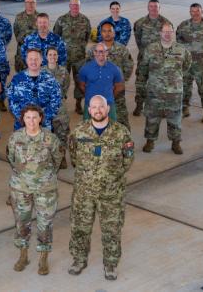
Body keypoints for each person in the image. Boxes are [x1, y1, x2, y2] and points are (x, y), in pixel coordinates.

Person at [68, 95, 134, 281]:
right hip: (84, 192)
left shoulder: (121, 133)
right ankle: (79, 259)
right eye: (94, 107)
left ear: (107, 109)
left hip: (112, 193)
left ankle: (111, 263)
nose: (98, 110)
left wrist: (111, 178)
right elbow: (73, 157)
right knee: (80, 227)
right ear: (89, 110)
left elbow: (128, 159)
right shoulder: (79, 132)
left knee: (112, 229)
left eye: (101, 107)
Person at [7, 104, 62, 275]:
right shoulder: (15, 138)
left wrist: (44, 176)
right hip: (21, 188)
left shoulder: (50, 138)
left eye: (35, 117)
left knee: (45, 223)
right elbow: (11, 158)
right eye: (28, 117)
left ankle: (43, 257)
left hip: (45, 188)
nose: (31, 121)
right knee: (22, 222)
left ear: (40, 118)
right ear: (22, 119)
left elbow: (58, 159)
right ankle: (23, 255)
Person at [138, 22, 192, 154]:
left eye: (170, 31)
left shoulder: (181, 50)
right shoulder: (150, 49)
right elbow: (143, 69)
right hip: (154, 93)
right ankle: (150, 142)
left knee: (175, 119)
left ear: (173, 33)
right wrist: (141, 89)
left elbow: (186, 67)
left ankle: (175, 143)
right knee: (152, 118)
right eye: (165, 31)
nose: (167, 34)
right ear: (160, 33)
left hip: (174, 93)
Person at [176, 3, 203, 123]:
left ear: (202, 11)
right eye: (192, 11)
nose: (195, 13)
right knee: (185, 87)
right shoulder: (183, 25)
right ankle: (185, 109)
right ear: (189, 12)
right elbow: (178, 41)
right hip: (186, 64)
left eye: (197, 11)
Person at [90, 22, 134, 129]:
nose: (107, 33)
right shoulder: (93, 50)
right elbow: (88, 69)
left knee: (121, 119)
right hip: (99, 92)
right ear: (101, 33)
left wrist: (121, 81)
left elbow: (129, 65)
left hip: (117, 92)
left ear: (114, 33)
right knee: (98, 119)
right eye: (104, 31)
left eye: (110, 31)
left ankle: (126, 143)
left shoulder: (122, 49)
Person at [54, 0, 92, 114]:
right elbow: (56, 36)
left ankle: (78, 104)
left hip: (79, 58)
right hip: (64, 58)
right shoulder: (61, 20)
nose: (75, 7)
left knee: (80, 82)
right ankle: (61, 103)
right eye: (73, 5)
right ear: (69, 6)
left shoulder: (85, 20)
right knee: (62, 80)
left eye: (77, 5)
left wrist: (80, 48)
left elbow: (87, 36)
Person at [133, 0, 172, 116]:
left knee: (160, 85)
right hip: (144, 59)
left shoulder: (166, 23)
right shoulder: (140, 23)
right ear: (147, 8)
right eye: (151, 6)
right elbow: (138, 39)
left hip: (159, 62)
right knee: (140, 83)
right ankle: (139, 105)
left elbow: (168, 41)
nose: (153, 9)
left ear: (159, 8)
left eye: (156, 7)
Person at [8, 48, 62, 131]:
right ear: (26, 60)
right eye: (31, 59)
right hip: (22, 125)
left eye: (36, 59)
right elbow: (12, 102)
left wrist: (42, 119)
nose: (33, 62)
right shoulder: (17, 79)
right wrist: (24, 118)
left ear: (41, 60)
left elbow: (56, 102)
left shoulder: (50, 79)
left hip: (44, 125)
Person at [78, 44, 124, 121]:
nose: (101, 53)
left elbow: (119, 87)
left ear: (107, 52)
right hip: (90, 104)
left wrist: (110, 97)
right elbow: (81, 86)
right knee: (87, 130)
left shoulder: (114, 69)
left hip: (108, 104)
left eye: (103, 51)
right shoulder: (85, 69)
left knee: (111, 129)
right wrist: (90, 96)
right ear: (94, 52)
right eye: (98, 51)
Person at [45, 47, 70, 169]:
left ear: (58, 57)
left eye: (55, 54)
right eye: (50, 54)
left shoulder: (63, 71)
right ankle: (49, 157)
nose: (52, 57)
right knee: (47, 132)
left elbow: (65, 87)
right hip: (45, 107)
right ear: (46, 57)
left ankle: (62, 157)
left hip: (60, 107)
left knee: (62, 132)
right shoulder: (41, 71)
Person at [13, 0, 38, 73]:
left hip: (36, 53)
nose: (30, 4)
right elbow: (16, 31)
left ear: (35, 4)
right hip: (21, 54)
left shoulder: (40, 17)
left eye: (32, 2)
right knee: (21, 78)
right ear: (25, 3)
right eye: (28, 2)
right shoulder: (19, 17)